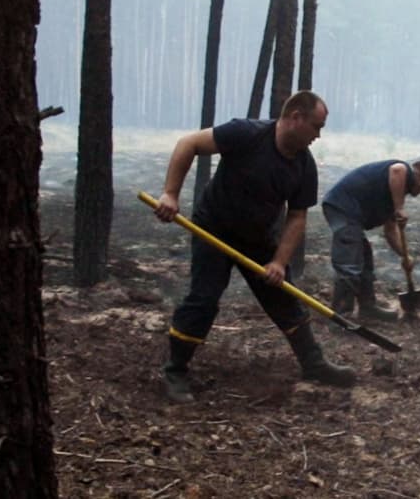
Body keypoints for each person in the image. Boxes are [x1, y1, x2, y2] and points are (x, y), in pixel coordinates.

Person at [152, 90, 355, 403]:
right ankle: (175, 370)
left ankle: (313, 364)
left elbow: (297, 217)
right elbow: (188, 144)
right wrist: (170, 194)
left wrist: (278, 261)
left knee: (283, 296)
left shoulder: (304, 166)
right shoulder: (246, 133)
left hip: (257, 237)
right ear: (296, 118)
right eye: (317, 126)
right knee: (204, 298)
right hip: (214, 230)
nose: (318, 135)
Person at [322, 159, 420, 321]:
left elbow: (390, 231)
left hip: (351, 215)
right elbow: (397, 170)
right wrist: (399, 208)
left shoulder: (394, 192)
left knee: (365, 258)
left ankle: (367, 308)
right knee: (349, 262)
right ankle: (341, 317)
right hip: (342, 207)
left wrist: (405, 255)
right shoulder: (403, 172)